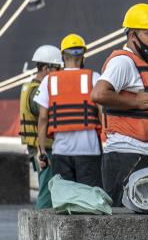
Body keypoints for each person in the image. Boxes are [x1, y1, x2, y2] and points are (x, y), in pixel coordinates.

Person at [92, 3, 148, 206]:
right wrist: (136, 102)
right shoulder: (123, 62)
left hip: (140, 155)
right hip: (127, 156)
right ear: (132, 36)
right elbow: (99, 93)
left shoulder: (139, 65)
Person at [35, 34, 103, 187]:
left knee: (65, 201)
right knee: (89, 200)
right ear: (83, 57)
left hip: (61, 152)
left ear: (63, 57)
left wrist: (42, 151)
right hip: (89, 152)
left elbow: (43, 118)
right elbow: (103, 113)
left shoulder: (49, 81)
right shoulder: (94, 77)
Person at [20, 45, 62, 208]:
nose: (59, 72)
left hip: (40, 146)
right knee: (47, 190)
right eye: (57, 68)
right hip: (43, 148)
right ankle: (39, 225)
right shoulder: (38, 91)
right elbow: (43, 114)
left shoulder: (30, 87)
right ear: (46, 68)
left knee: (48, 186)